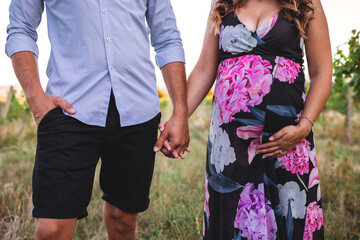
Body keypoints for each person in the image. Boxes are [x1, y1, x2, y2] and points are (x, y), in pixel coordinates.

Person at [5, 0, 190, 239]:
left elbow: (167, 38)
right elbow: (20, 27)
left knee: (123, 221)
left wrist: (180, 111)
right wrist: (36, 100)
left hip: (137, 110)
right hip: (69, 110)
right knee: (51, 229)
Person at [183, 0, 332, 238]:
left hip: (286, 143)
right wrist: (179, 118)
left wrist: (304, 126)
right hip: (230, 146)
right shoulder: (222, 3)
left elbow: (322, 72)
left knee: (288, 220)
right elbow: (204, 69)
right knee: (231, 217)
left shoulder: (305, 2)